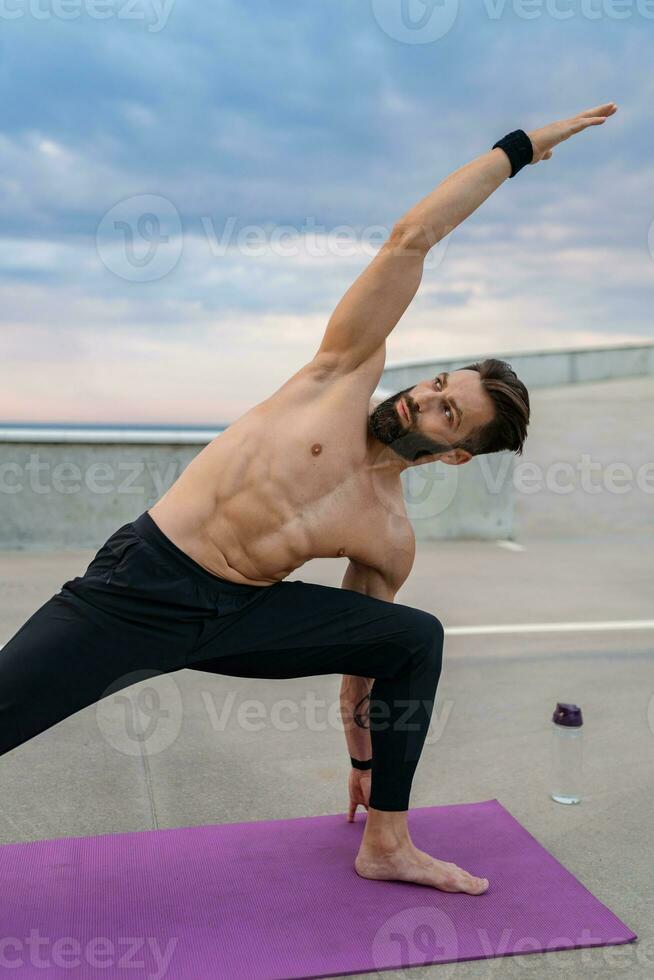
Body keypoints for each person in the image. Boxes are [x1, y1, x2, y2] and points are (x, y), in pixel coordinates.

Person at [0, 103, 616, 894]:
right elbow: (413, 238)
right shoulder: (341, 373)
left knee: (411, 637)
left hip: (239, 618)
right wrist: (519, 150)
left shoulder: (387, 534)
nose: (421, 402)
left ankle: (387, 843)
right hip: (138, 589)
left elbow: (361, 670)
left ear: (456, 453)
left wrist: (362, 759)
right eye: (435, 385)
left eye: (445, 412)